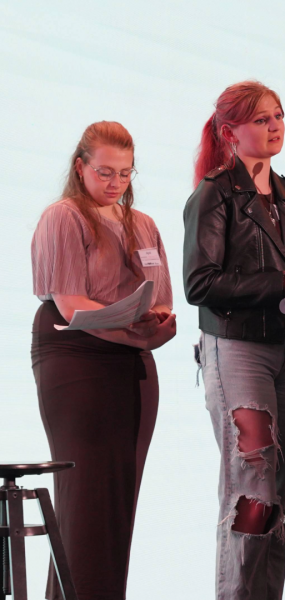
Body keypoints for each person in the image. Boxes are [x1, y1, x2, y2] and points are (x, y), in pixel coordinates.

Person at [183, 81, 285, 600]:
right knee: (253, 488)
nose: (274, 126)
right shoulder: (215, 192)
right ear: (230, 131)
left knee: (279, 488)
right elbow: (199, 285)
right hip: (238, 348)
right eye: (260, 119)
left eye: (278, 116)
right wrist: (284, 280)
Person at [31, 121, 176, 600]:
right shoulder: (64, 216)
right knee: (88, 503)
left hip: (131, 361)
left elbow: (164, 303)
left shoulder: (144, 225)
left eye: (125, 174)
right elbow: (71, 305)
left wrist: (156, 326)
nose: (115, 183)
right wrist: (127, 320)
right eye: (104, 172)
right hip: (77, 358)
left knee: (118, 504)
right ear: (80, 167)